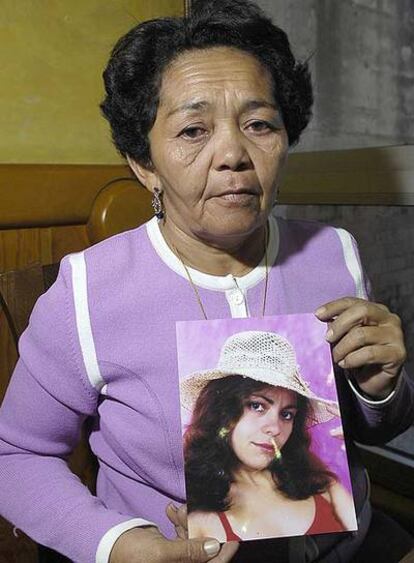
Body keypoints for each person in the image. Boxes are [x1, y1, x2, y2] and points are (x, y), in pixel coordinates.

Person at [0, 0, 412, 562]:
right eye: (194, 130)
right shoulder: (86, 292)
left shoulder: (334, 253)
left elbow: (369, 429)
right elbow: (15, 456)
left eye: (259, 124)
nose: (233, 155)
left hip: (353, 545)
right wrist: (116, 545)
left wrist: (380, 387)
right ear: (145, 162)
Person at [181, 330, 357, 542]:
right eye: (257, 406)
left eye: (287, 414)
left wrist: (356, 448)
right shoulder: (197, 514)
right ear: (222, 411)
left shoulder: (322, 485)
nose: (274, 428)